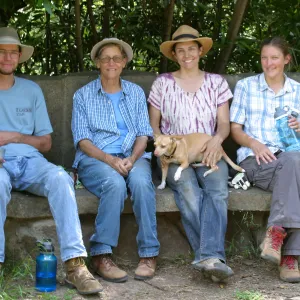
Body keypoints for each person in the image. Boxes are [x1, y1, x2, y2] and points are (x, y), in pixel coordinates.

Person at [0, 27, 103, 294]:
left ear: (20, 56)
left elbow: (45, 142)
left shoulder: (31, 90)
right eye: (1, 52)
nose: (7, 57)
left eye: (13, 52)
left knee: (61, 178)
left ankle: (75, 266)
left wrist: (14, 136)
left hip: (32, 162)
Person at [148, 24, 234, 282]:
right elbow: (154, 124)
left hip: (208, 150)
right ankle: (213, 258)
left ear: (200, 51)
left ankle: (207, 257)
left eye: (191, 49)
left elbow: (224, 124)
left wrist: (217, 141)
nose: (187, 55)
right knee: (188, 191)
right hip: (174, 155)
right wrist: (161, 144)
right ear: (174, 54)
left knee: (217, 190)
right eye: (180, 50)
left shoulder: (217, 83)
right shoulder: (162, 84)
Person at [71, 37, 160, 283]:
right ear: (98, 63)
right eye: (106, 58)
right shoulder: (83, 96)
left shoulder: (135, 92)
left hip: (133, 155)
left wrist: (132, 158)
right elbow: (82, 141)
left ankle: (149, 254)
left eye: (117, 58)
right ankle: (101, 255)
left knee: (142, 182)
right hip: (96, 158)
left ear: (124, 63)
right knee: (115, 184)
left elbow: (144, 134)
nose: (111, 62)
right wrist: (110, 160)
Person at [230, 36, 300, 283]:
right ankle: (290, 258)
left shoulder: (298, 91)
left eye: (274, 58)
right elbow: (235, 129)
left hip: (292, 158)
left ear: (286, 59)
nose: (268, 63)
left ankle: (276, 235)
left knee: (293, 162)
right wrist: (254, 143)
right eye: (264, 57)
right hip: (255, 161)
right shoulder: (246, 86)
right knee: (295, 168)